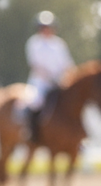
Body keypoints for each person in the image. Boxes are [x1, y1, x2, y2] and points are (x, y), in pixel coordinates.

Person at [23, 11, 74, 142]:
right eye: (43, 27)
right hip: (40, 82)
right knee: (35, 102)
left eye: (48, 27)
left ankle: (76, 136)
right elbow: (35, 65)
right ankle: (32, 132)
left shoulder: (59, 44)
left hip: (59, 82)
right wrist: (51, 77)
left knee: (73, 102)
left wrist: (70, 78)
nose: (46, 30)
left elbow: (68, 64)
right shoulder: (34, 43)